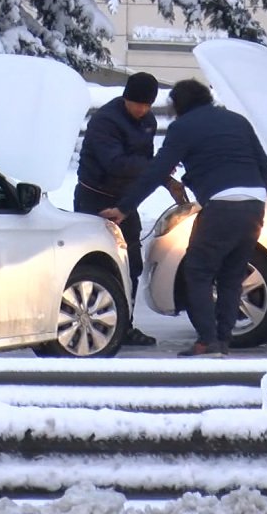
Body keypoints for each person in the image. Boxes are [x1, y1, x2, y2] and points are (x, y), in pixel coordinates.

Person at [100, 79, 267, 358]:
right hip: (254, 204)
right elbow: (264, 165)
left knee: (197, 270)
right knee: (232, 274)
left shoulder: (183, 127)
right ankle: (223, 340)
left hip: (221, 205)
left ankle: (207, 340)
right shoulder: (237, 121)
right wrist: (256, 197)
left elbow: (156, 171)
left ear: (179, 105)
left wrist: (125, 207)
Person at [75, 71, 183, 347]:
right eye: (137, 104)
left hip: (125, 201)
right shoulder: (105, 122)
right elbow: (115, 163)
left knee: (130, 264)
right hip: (95, 200)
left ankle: (124, 325)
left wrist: (164, 177)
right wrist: (157, 168)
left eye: (147, 105)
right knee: (95, 262)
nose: (142, 110)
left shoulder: (147, 121)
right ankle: (89, 321)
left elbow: (145, 163)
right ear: (126, 98)